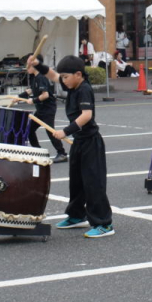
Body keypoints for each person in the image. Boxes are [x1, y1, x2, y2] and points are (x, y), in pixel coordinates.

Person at [49, 55, 114, 238]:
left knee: (94, 183)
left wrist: (65, 131)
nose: (63, 80)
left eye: (66, 77)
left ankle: (104, 224)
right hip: (79, 141)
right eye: (62, 77)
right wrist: (38, 65)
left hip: (91, 143)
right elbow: (54, 76)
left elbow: (86, 115)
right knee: (76, 182)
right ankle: (77, 216)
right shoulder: (72, 85)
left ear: (78, 74)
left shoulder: (84, 89)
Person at [20, 53, 68, 163]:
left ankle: (62, 153)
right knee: (29, 130)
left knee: (50, 131)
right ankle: (38, 151)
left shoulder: (41, 77)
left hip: (48, 109)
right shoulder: (35, 77)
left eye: (29, 64)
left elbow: (45, 95)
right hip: (41, 110)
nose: (27, 67)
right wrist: (18, 97)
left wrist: (33, 100)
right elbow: (31, 90)